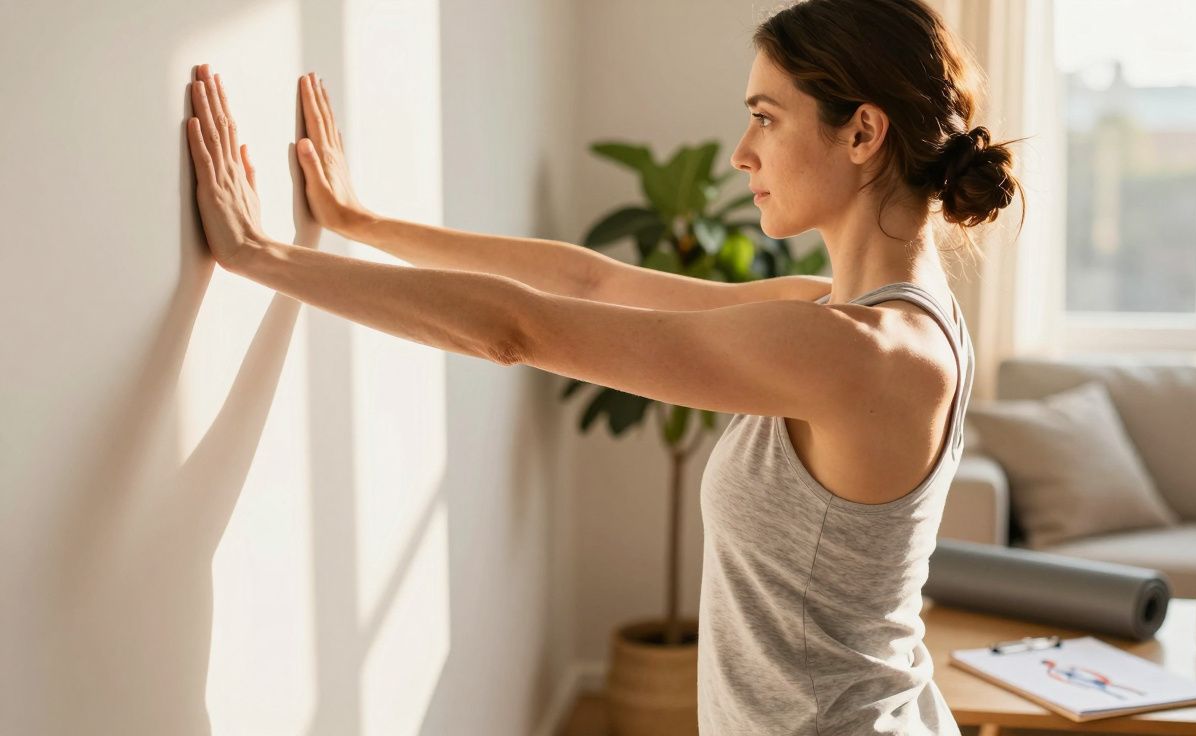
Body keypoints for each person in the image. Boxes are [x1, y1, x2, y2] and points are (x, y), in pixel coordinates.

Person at [183, 0, 1021, 730]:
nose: (741, 152)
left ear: (863, 132)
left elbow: (516, 331)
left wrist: (262, 256)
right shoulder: (856, 321)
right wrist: (363, 223)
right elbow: (594, 281)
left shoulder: (853, 354)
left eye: (765, 116)